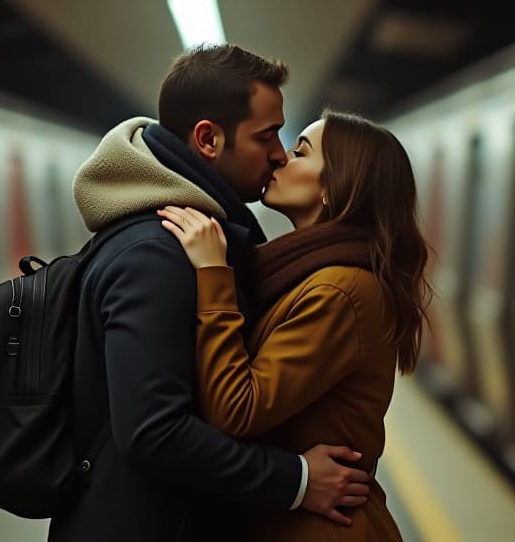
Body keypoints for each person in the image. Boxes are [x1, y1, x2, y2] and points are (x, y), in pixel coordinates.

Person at [53, 45, 371, 542]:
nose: (279, 153)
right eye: (267, 136)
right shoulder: (160, 254)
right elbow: (153, 432)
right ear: (208, 139)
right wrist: (296, 480)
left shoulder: (195, 240)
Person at [158, 109, 431, 541]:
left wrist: (213, 276)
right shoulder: (308, 274)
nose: (281, 158)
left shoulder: (340, 291)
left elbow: (237, 409)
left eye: (300, 151)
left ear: (333, 186)